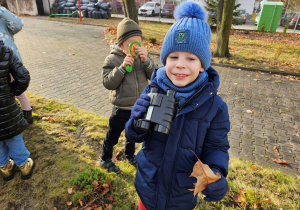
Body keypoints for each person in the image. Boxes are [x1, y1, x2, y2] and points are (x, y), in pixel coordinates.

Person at [125, 1, 230, 209]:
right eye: (173, 57)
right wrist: (136, 121)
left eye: (191, 58)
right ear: (165, 60)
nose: (180, 64)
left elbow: (217, 146)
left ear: (202, 66)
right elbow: (135, 136)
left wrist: (216, 172)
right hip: (148, 187)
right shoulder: (154, 89)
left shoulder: (215, 106)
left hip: (181, 195)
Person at [100, 18, 157, 173]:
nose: (135, 48)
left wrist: (147, 62)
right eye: (130, 45)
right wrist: (122, 67)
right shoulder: (112, 59)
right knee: (113, 134)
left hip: (138, 107)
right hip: (121, 108)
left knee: (132, 134)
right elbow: (108, 83)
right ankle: (105, 159)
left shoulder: (143, 58)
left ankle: (129, 155)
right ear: (120, 45)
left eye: (138, 44)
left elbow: (156, 77)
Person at [0, 41, 35, 181]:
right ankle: (23, 165)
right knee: (13, 135)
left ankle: (5, 168)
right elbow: (23, 77)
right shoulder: (5, 51)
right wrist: (10, 92)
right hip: (7, 106)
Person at [0, 6, 33, 124]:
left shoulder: (3, 19)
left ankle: (27, 115)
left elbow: (17, 24)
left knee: (17, 92)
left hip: (8, 62)